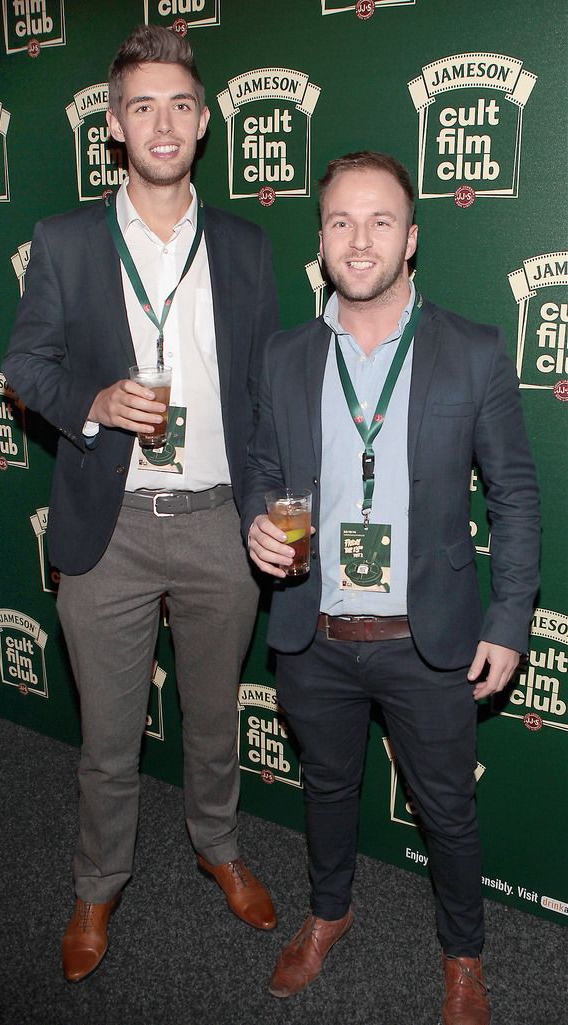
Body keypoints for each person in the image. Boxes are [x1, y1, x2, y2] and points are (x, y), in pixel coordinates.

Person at [4, 24, 279, 983]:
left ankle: (218, 845)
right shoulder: (66, 240)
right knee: (107, 738)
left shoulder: (245, 244)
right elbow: (23, 367)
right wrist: (91, 403)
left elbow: (267, 391)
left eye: (179, 104)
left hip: (218, 523)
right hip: (108, 527)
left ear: (202, 122)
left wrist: (276, 503)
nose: (161, 123)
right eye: (140, 107)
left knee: (212, 720)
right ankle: (97, 882)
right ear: (114, 128)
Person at [242, 151, 540, 1024]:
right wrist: (259, 520)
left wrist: (511, 616)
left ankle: (464, 955)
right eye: (340, 221)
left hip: (431, 637)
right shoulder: (285, 354)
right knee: (327, 788)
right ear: (322, 240)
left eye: (379, 221)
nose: (359, 238)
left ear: (411, 239)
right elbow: (263, 469)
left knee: (446, 810)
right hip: (314, 630)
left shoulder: (475, 350)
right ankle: (328, 913)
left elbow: (515, 495)